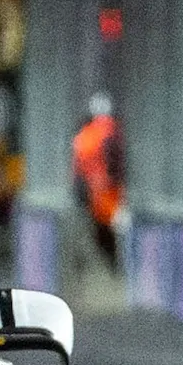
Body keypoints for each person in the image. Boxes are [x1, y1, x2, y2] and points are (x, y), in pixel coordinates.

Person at [72, 93, 125, 263]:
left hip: (92, 192)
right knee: (115, 228)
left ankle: (109, 262)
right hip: (110, 192)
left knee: (101, 232)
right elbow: (116, 162)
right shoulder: (111, 132)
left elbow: (78, 168)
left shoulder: (83, 136)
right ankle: (115, 264)